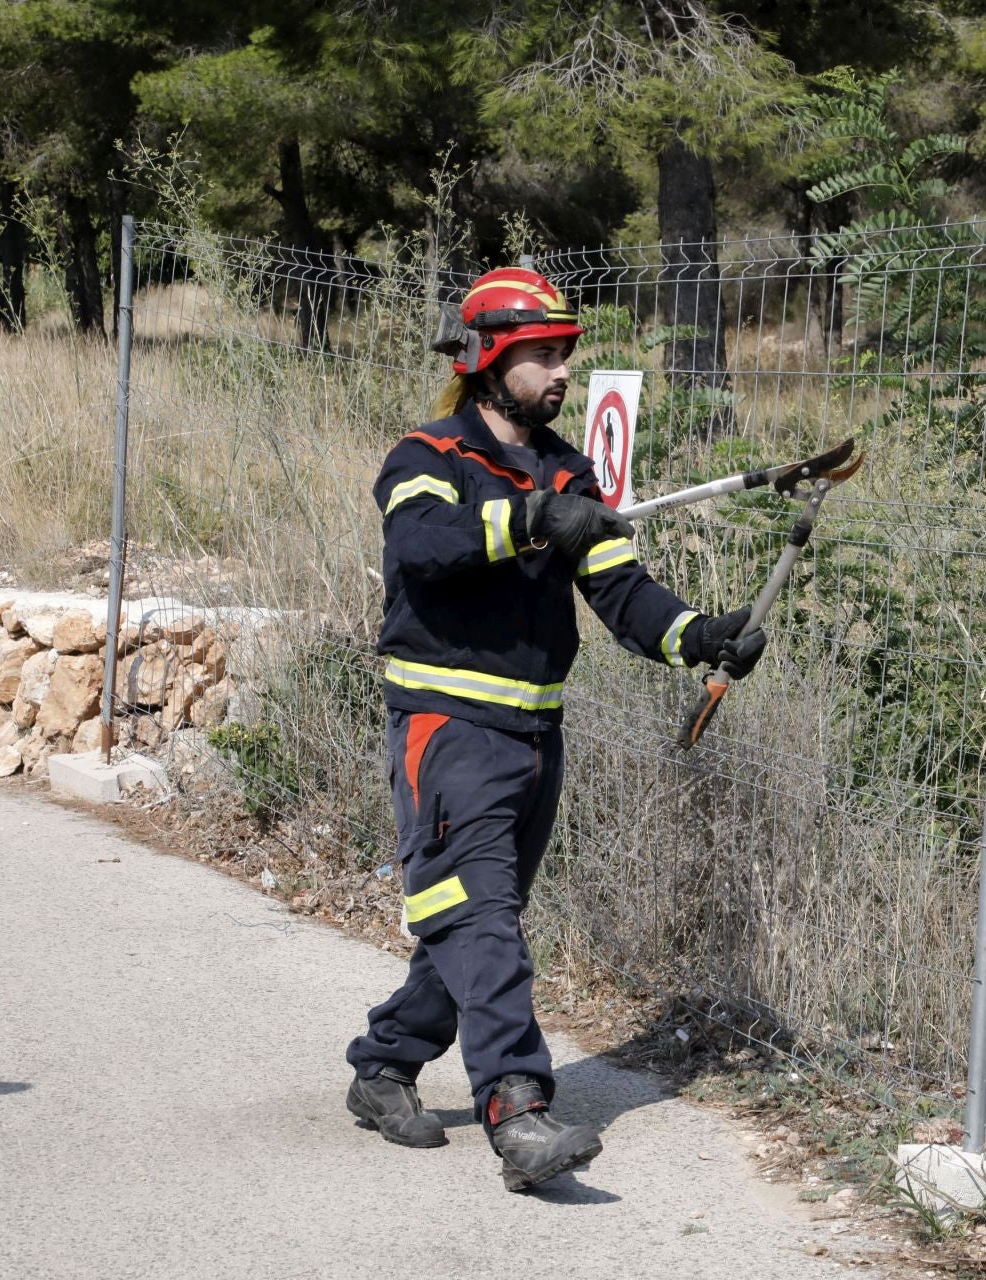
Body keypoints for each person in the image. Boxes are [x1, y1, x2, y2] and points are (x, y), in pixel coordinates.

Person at [343, 266, 767, 1191]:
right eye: (542, 354)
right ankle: (520, 1110)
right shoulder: (425, 459)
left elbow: (623, 593)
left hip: (536, 737)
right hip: (447, 729)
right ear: (490, 357)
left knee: (469, 918)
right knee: (481, 917)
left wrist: (698, 636)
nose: (562, 372)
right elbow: (426, 547)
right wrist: (533, 519)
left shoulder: (571, 471)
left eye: (567, 355)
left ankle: (383, 1064)